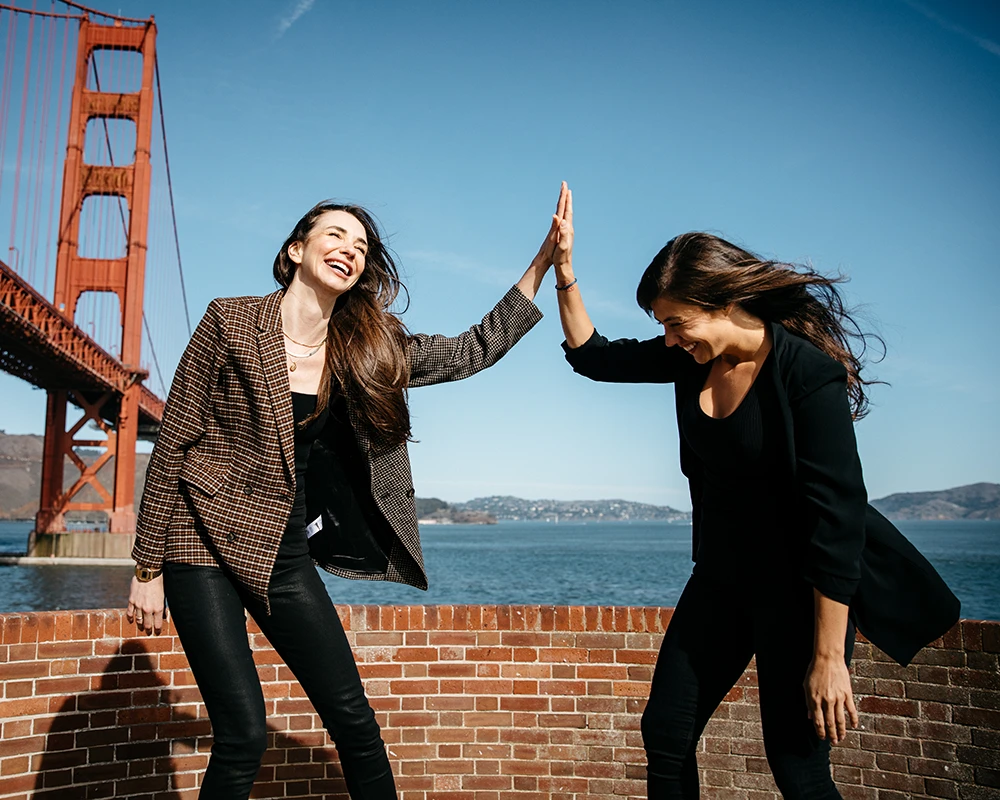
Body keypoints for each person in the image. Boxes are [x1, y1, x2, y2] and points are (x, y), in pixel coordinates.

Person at [126, 199, 561, 799]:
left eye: (360, 246)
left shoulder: (364, 346)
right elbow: (172, 442)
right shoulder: (229, 321)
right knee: (244, 735)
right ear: (295, 250)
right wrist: (148, 567)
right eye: (336, 235)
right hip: (199, 549)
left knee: (355, 722)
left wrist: (539, 266)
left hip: (285, 558)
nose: (350, 250)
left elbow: (467, 353)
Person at [548, 183, 959, 799]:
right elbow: (594, 356)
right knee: (665, 732)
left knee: (797, 767)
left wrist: (828, 658)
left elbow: (836, 520)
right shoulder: (690, 358)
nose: (669, 339)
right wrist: (565, 271)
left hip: (797, 595)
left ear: (722, 302)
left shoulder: (806, 374)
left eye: (675, 322)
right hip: (719, 580)